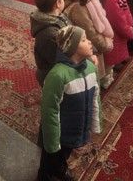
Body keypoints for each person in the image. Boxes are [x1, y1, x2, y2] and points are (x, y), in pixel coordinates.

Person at [37, 25, 101, 181]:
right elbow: (50, 110)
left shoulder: (91, 68)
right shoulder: (57, 75)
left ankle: (59, 170)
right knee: (50, 158)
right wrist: (52, 141)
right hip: (59, 132)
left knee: (65, 153)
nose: (90, 42)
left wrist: (94, 123)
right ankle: (46, 175)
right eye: (84, 40)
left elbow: (95, 97)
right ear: (72, 48)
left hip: (76, 127)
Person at [63, 0, 113, 87]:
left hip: (91, 48)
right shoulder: (79, 7)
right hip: (86, 52)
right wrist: (105, 44)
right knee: (89, 82)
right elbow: (90, 33)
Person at [30, 0, 71, 87]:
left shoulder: (55, 16)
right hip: (52, 75)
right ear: (58, 3)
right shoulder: (50, 35)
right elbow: (58, 60)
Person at [98, 0, 133, 75]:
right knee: (108, 67)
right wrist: (129, 30)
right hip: (114, 35)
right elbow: (118, 20)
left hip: (112, 32)